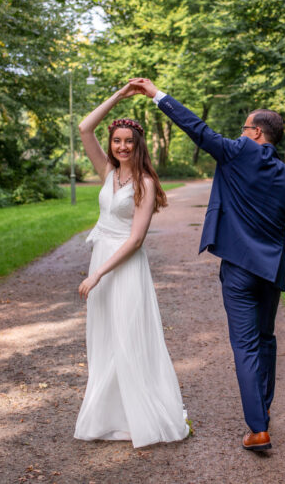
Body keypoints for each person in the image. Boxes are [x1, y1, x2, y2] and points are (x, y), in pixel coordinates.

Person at [128, 77, 285, 451]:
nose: (240, 133)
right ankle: (262, 411)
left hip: (239, 272)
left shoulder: (235, 153)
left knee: (245, 347)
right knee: (266, 342)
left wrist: (157, 94)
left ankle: (258, 428)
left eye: (244, 128)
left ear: (257, 133)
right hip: (272, 273)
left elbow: (196, 128)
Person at [73, 82, 190, 447]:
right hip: (101, 257)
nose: (121, 146)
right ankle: (110, 417)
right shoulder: (108, 172)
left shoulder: (145, 183)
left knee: (128, 337)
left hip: (122, 266)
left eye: (128, 141)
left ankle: (145, 417)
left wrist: (97, 274)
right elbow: (84, 128)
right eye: (117, 140)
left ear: (139, 145)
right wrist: (119, 95)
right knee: (104, 339)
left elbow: (136, 239)